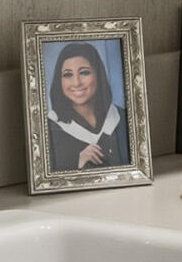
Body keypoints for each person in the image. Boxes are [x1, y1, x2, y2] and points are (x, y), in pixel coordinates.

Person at [45, 43, 129, 172]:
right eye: (68, 75)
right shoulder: (49, 129)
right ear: (59, 81)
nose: (76, 83)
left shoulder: (123, 118)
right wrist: (76, 163)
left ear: (98, 74)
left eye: (84, 72)